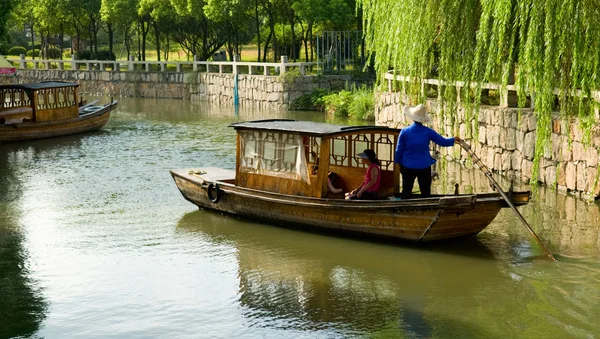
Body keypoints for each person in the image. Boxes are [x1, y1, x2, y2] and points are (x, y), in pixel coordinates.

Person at [394, 104, 460, 199]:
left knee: (406, 192)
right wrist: (453, 139)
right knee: (425, 193)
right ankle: (427, 210)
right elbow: (442, 141)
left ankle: (405, 208)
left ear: (413, 117)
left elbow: (399, 150)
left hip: (408, 166)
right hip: (424, 166)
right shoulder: (428, 132)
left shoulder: (404, 131)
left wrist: (397, 163)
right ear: (423, 119)